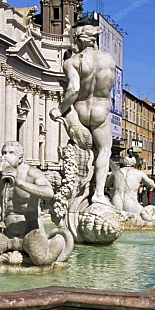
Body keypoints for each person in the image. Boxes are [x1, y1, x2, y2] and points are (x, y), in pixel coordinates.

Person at [49, 23, 116, 205]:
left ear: (78, 39)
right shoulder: (109, 60)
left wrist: (60, 109)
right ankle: (99, 194)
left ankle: (78, 191)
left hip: (80, 111)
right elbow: (109, 86)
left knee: (79, 151)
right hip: (101, 110)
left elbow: (73, 90)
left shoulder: (72, 62)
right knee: (103, 150)